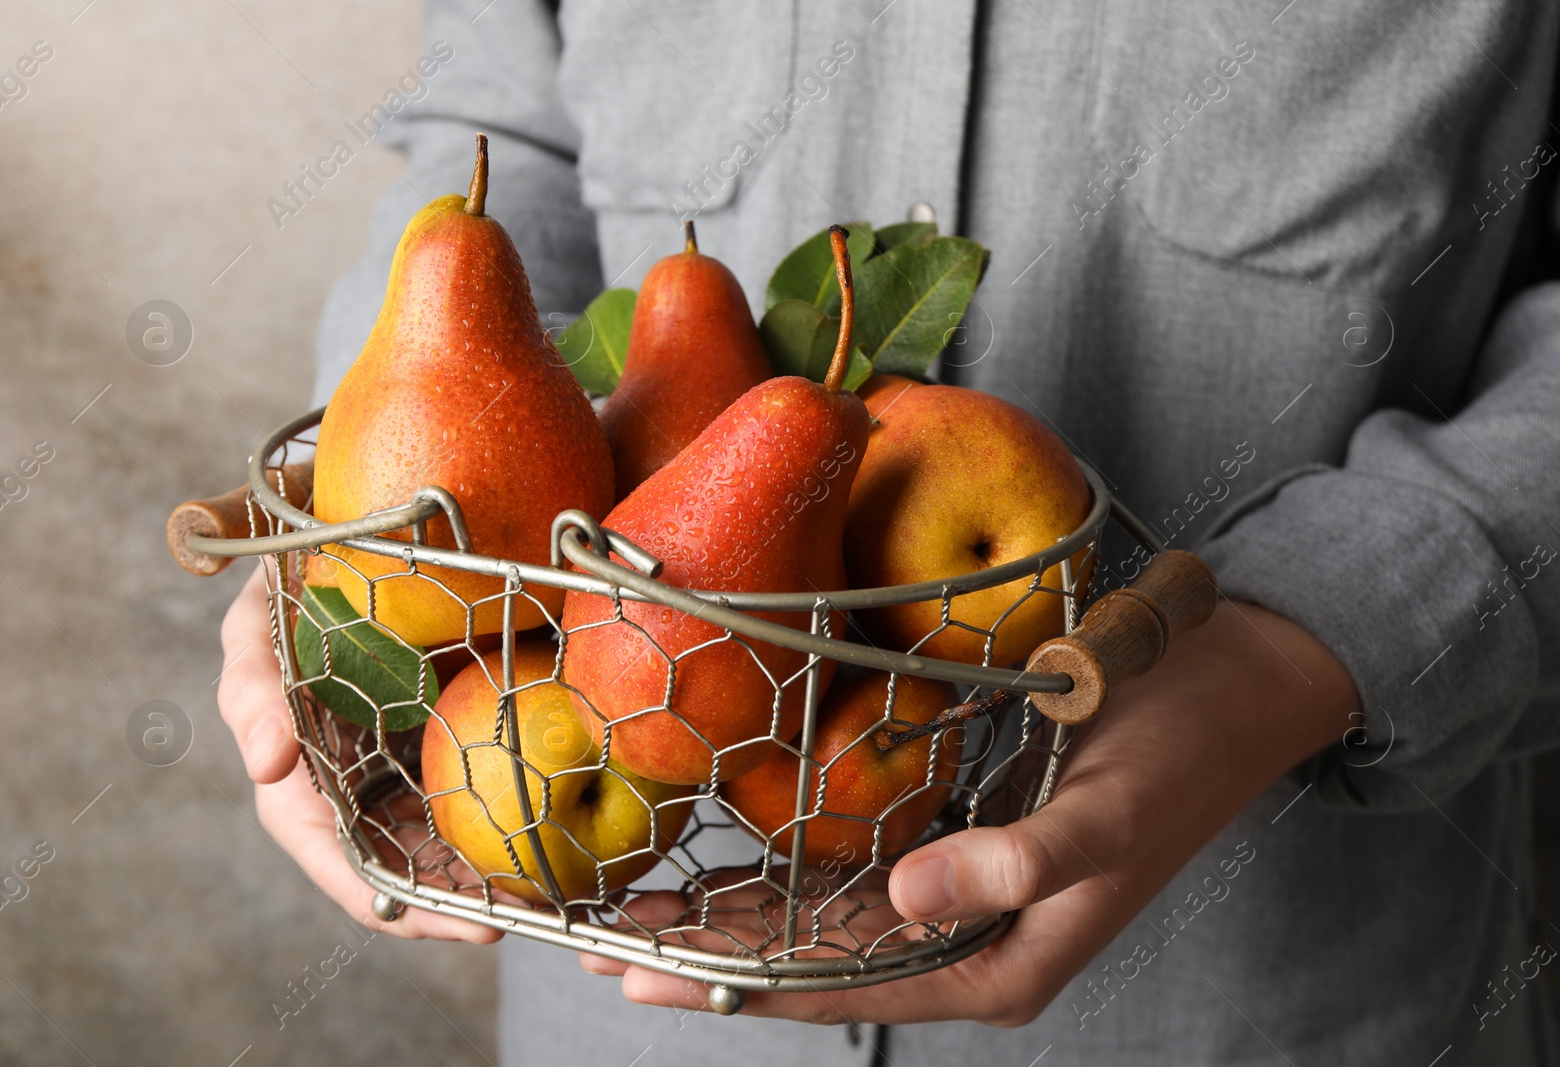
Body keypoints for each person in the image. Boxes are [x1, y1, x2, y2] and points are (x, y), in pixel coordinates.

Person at [218, 1, 1560, 1062]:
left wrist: (1292, 654)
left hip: (1267, 976)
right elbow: (510, 134)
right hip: (624, 981)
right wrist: (376, 546)